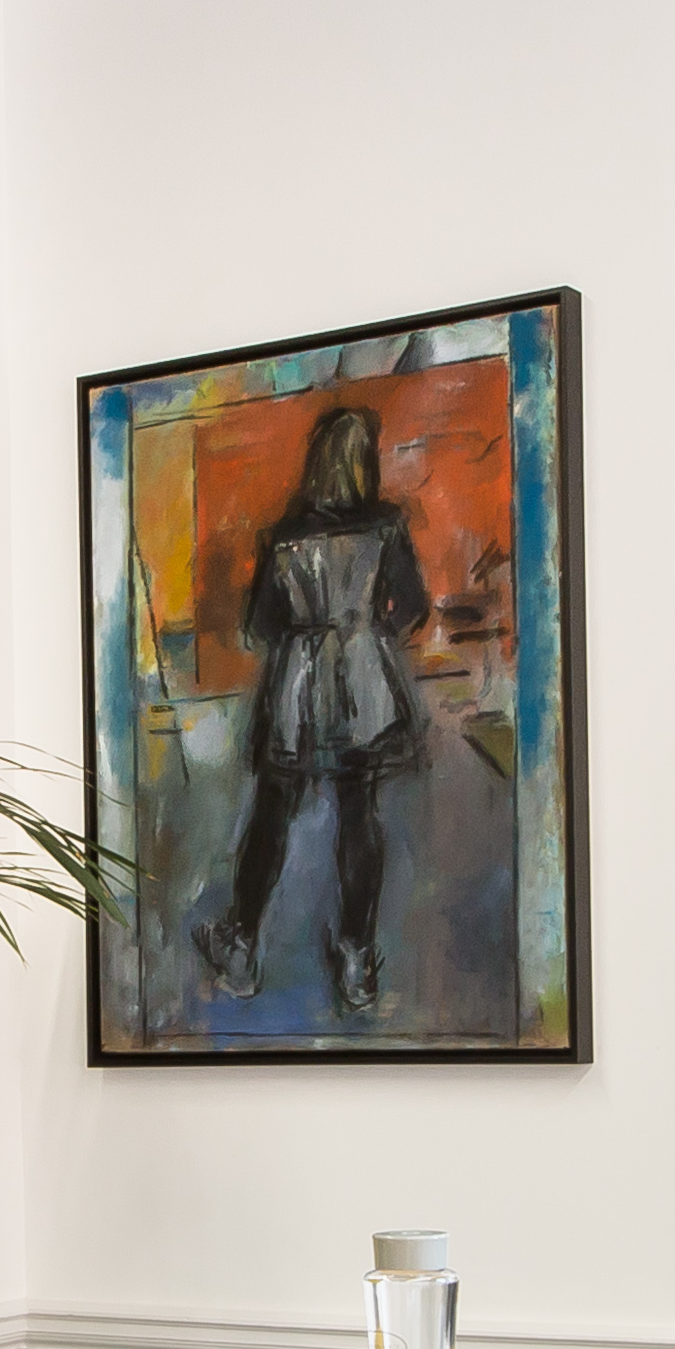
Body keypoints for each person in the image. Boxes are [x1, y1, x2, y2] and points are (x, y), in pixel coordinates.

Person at [197, 399, 434, 1012]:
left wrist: (309, 628)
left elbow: (262, 624)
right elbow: (410, 606)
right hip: (364, 685)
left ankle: (242, 944)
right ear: (364, 464)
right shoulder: (386, 526)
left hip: (296, 688)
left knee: (273, 811)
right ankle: (356, 958)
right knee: (359, 815)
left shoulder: (283, 537)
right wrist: (362, 626)